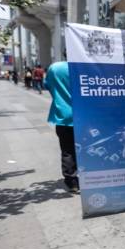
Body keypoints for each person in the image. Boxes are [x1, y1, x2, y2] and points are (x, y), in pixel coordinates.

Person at [44, 61, 79, 192]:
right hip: (85, 115)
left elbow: (47, 85)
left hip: (63, 115)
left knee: (67, 149)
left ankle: (72, 182)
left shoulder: (55, 67)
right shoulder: (84, 66)